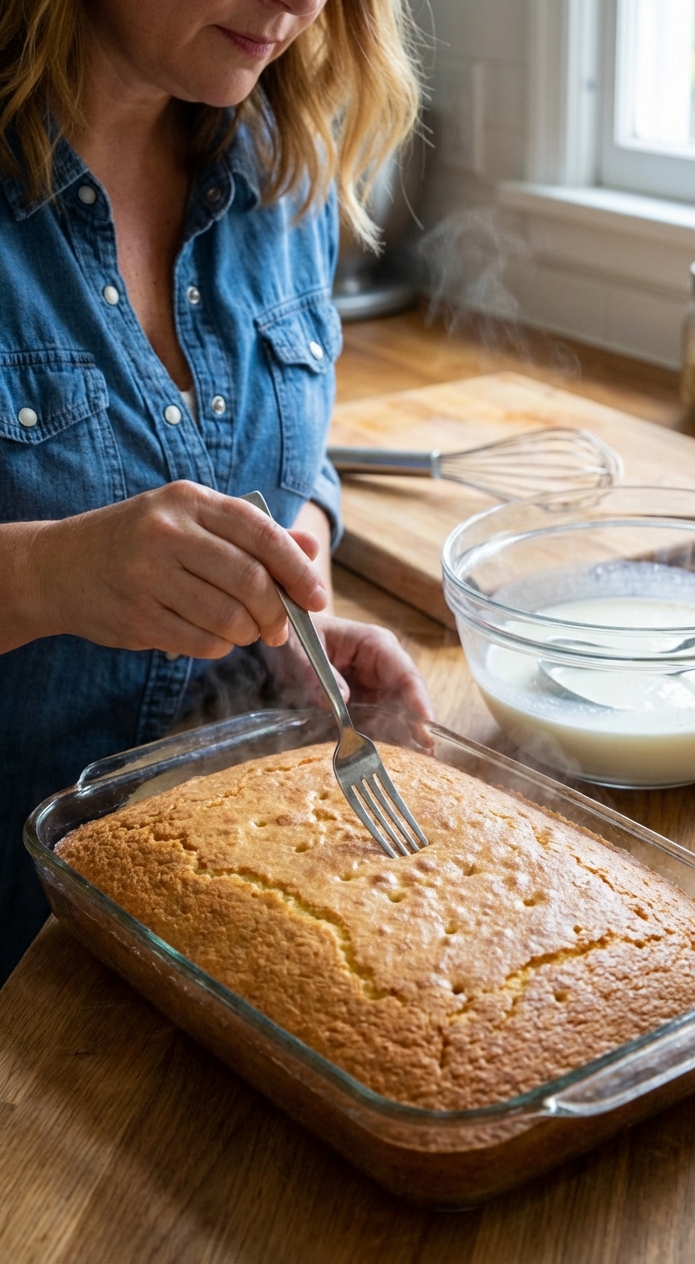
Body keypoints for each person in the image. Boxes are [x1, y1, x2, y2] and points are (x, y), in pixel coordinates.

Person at [0, 0, 432, 981]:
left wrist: (287, 614)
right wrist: (41, 575)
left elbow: (294, 463)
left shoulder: (286, 157)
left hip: (195, 923)